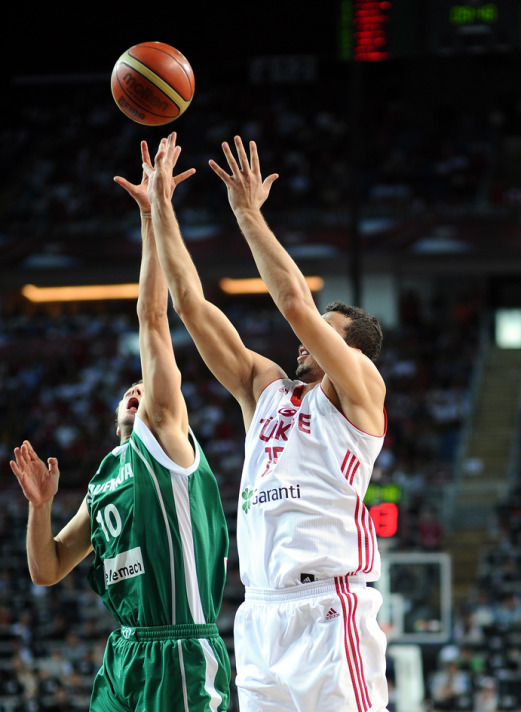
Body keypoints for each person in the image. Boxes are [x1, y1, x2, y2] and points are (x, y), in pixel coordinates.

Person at [144, 132, 389, 711]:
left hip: (330, 610)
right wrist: (161, 211)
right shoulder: (265, 391)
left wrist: (247, 214)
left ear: (349, 351)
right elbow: (189, 304)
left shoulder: (360, 392)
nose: (305, 343)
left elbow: (296, 305)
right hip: (258, 614)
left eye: (325, 335)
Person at [9, 140, 230, 712]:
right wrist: (40, 508)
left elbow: (152, 318)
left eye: (144, 388)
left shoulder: (168, 442)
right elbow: (47, 569)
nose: (137, 389)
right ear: (114, 423)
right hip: (124, 653)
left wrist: (152, 215)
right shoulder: (108, 477)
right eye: (126, 393)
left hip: (179, 649)